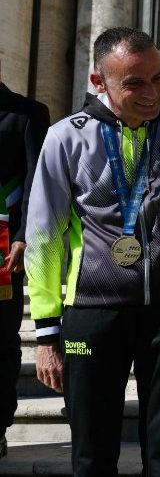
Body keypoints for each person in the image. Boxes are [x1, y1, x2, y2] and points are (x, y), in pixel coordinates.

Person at [26, 27, 160, 476]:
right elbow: (44, 235)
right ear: (98, 82)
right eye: (134, 83)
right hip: (93, 310)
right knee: (92, 453)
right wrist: (47, 331)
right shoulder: (66, 137)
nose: (152, 93)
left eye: (159, 79)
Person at [0, 60, 49, 459]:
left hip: (4, 253)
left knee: (0, 341)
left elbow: (35, 180)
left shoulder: (28, 114)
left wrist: (22, 238)